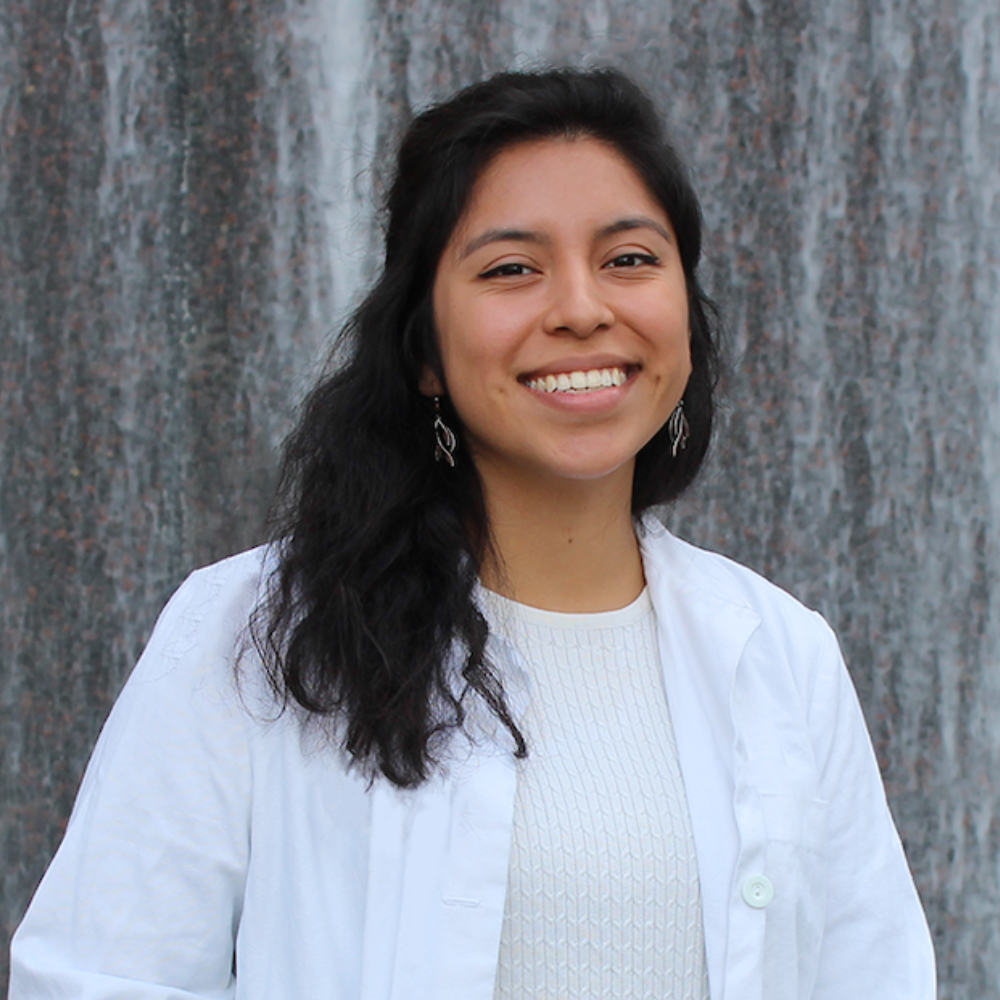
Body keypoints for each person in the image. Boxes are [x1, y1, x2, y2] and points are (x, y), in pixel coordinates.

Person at [10, 67, 935, 999]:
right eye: (511, 269)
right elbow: (96, 979)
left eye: (629, 259)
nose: (581, 308)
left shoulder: (784, 653)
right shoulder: (254, 633)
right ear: (423, 354)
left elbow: (877, 977)